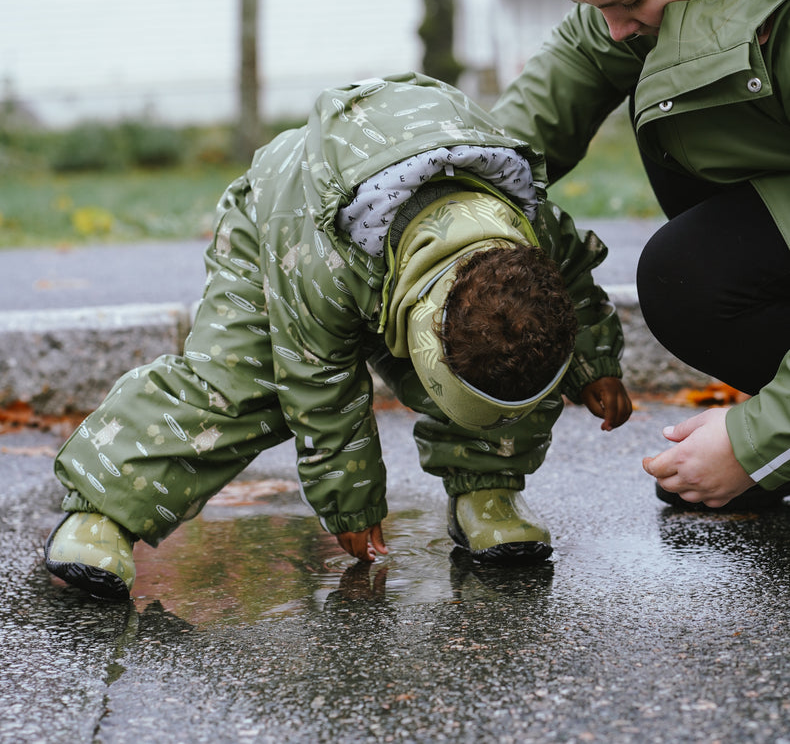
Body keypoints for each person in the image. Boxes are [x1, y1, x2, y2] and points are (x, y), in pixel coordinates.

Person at [44, 72, 632, 601]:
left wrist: (594, 363)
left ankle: (488, 489)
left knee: (519, 358)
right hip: (286, 228)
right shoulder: (315, 268)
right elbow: (317, 382)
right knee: (245, 385)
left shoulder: (530, 230)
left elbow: (573, 286)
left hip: (399, 239)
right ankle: (103, 509)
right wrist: (351, 504)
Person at [492, 0, 790, 512]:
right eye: (595, 7)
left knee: (690, 270)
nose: (614, 27)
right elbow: (545, 103)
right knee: (693, 277)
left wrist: (757, 440)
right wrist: (445, 194)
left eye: (628, 1)